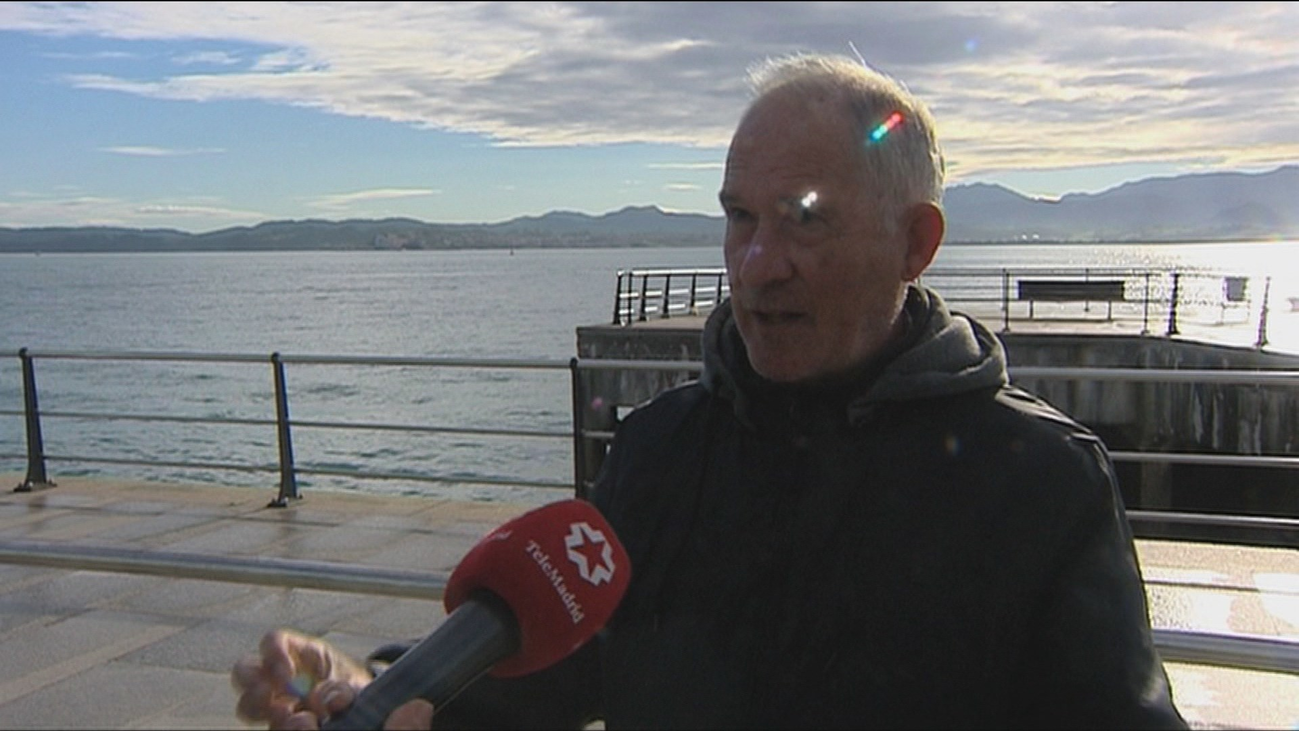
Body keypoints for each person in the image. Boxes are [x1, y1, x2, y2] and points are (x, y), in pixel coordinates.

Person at [232, 52, 1187, 729]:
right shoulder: (660, 449)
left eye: (803, 223)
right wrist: (383, 687)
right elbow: (545, 678)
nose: (757, 264)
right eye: (738, 218)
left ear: (915, 243)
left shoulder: (1039, 482)